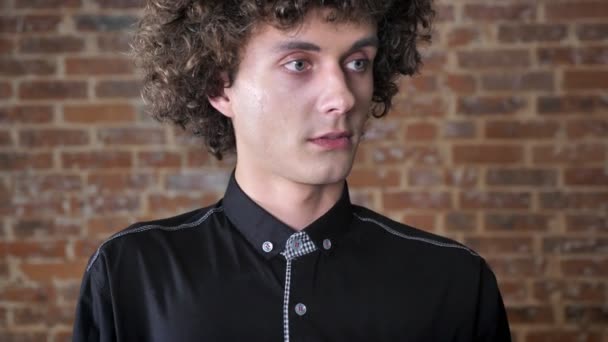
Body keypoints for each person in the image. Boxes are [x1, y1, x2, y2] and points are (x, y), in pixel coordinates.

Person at [72, 0, 511, 341]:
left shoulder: (453, 282)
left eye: (358, 62)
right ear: (219, 87)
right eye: (299, 64)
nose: (342, 97)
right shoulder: (131, 274)